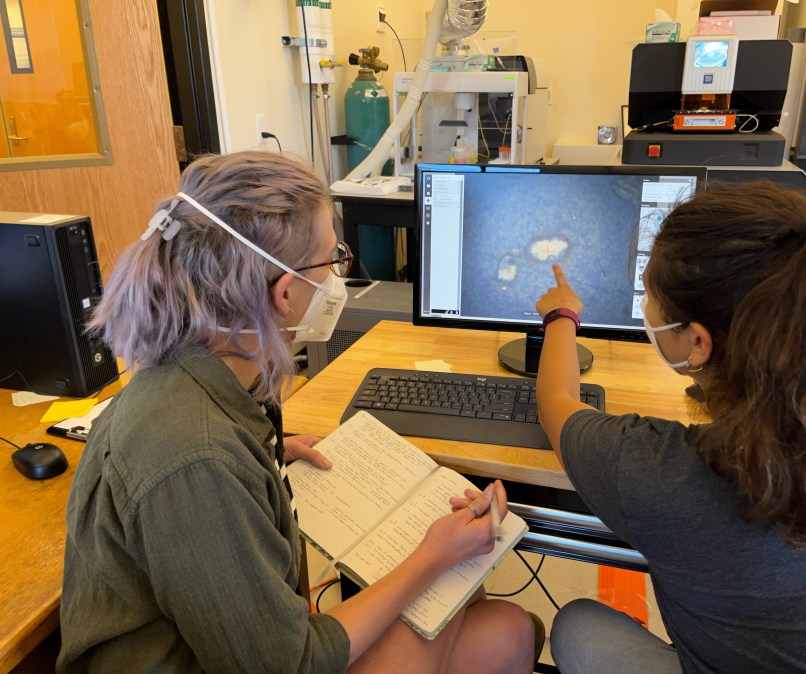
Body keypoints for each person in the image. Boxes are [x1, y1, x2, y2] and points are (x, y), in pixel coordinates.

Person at [58, 151, 536, 673]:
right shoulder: (197, 457)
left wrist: (262, 457)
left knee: (504, 625)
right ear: (284, 293)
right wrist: (431, 556)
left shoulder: (189, 377)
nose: (336, 276)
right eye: (332, 261)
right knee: (484, 610)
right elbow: (291, 665)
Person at [535, 181, 806, 673]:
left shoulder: (660, 473)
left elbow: (556, 404)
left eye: (649, 294)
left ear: (698, 343)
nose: (646, 306)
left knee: (577, 624)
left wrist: (561, 315)